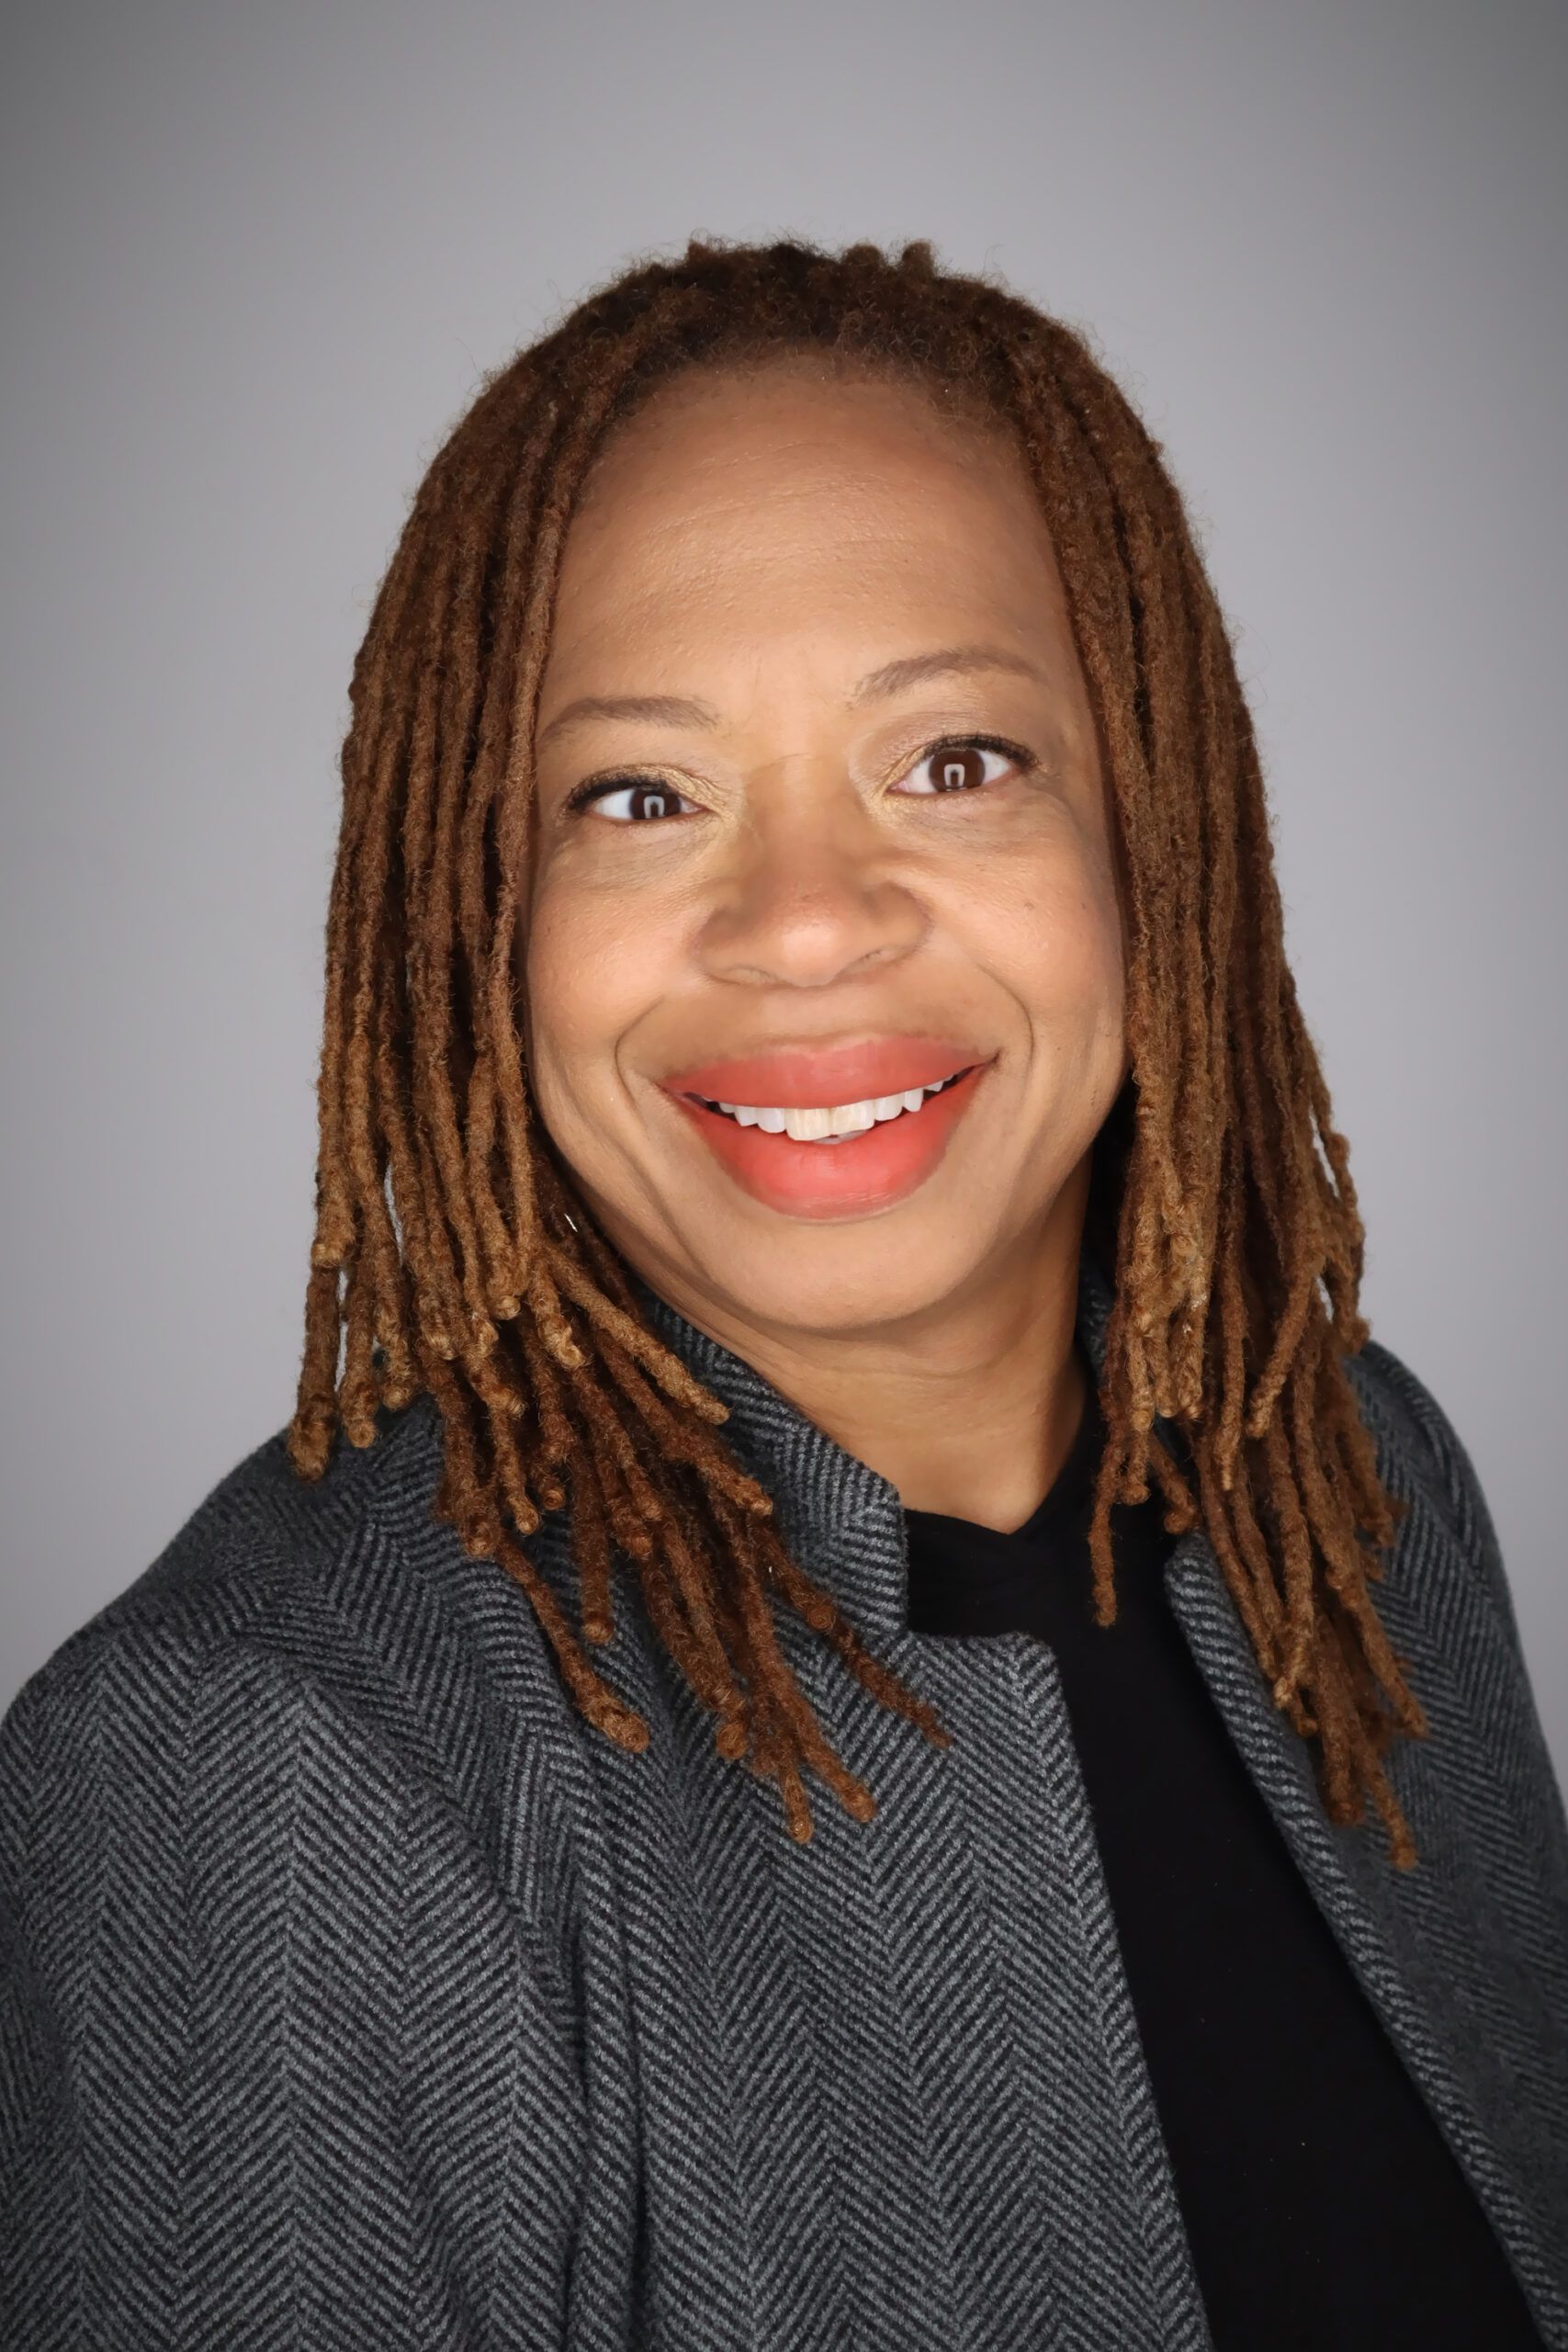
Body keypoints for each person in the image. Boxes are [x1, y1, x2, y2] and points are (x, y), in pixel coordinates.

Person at [3, 234, 1565, 2350]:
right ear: (474, 915)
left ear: (1154, 830)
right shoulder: (262, 1768)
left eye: (951, 760)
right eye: (637, 797)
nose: (805, 922)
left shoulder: (1353, 1484)